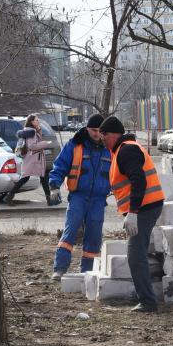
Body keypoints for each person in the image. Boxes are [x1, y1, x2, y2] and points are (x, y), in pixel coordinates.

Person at [99, 115, 164, 313]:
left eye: (105, 135)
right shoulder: (121, 150)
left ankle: (148, 302)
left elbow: (139, 182)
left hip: (145, 207)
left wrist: (133, 212)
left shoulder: (126, 150)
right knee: (136, 254)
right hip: (144, 206)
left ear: (116, 134)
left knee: (135, 255)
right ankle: (146, 298)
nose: (103, 139)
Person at [47, 113, 112, 279]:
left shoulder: (109, 149)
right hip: (78, 197)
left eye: (99, 131)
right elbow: (60, 165)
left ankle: (87, 273)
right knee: (69, 233)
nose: (96, 134)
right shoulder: (75, 145)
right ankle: (60, 269)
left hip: (98, 200)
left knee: (94, 238)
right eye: (93, 130)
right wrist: (54, 185)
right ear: (87, 129)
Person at [4, 114, 55, 205]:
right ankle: (9, 196)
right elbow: (32, 146)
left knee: (41, 178)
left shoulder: (31, 131)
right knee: (30, 178)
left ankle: (49, 200)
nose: (38, 121)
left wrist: (39, 131)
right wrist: (45, 143)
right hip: (33, 159)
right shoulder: (31, 132)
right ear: (31, 122)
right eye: (36, 120)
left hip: (32, 159)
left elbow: (34, 143)